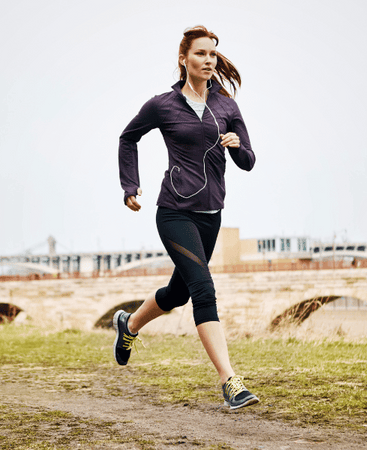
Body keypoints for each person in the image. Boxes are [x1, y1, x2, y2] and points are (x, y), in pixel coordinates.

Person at [115, 25, 258, 410]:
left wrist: (237, 145)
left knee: (177, 294)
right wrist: (130, 185)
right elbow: (128, 138)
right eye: (200, 54)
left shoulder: (227, 105)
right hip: (175, 212)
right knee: (204, 291)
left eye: (212, 54)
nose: (208, 60)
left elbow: (248, 163)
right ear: (184, 59)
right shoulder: (163, 104)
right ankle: (231, 382)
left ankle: (128, 325)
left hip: (211, 214)